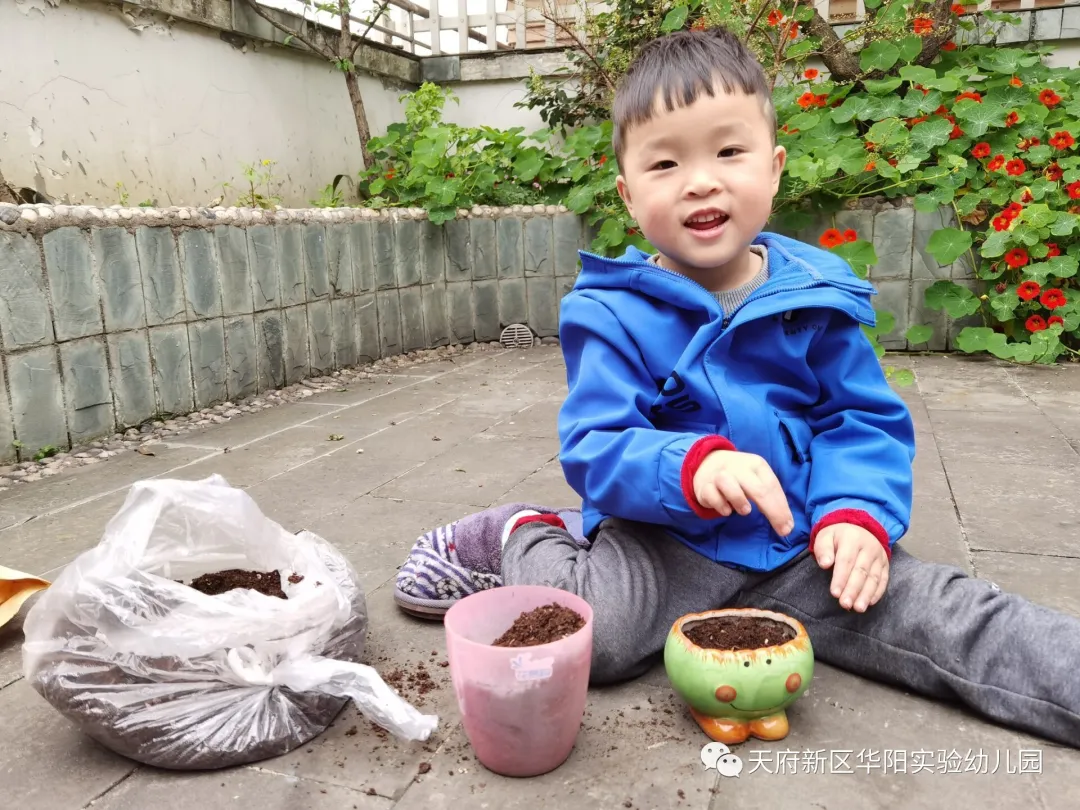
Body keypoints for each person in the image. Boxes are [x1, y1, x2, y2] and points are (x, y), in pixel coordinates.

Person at [395, 26, 1080, 750]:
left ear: (775, 167)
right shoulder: (608, 312)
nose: (701, 180)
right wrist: (691, 466)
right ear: (629, 195)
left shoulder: (815, 300)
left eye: (729, 151)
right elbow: (595, 445)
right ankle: (521, 534)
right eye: (666, 162)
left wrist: (855, 514)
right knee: (601, 644)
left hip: (800, 540)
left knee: (948, 618)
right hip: (664, 538)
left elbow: (863, 422)